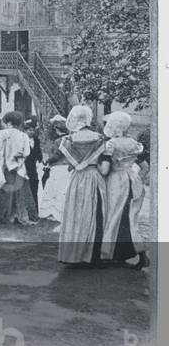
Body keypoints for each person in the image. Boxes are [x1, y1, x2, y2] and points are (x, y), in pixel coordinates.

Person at [57, 104, 107, 266]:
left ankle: (72, 254)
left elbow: (71, 165)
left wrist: (77, 164)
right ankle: (91, 254)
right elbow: (102, 161)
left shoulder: (69, 140)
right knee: (93, 213)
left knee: (75, 213)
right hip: (94, 176)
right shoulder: (99, 138)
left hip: (77, 178)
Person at [100, 111, 149, 269]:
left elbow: (106, 170)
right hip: (132, 179)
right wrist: (135, 177)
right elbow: (145, 167)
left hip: (116, 181)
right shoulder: (133, 143)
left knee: (113, 217)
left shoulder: (111, 144)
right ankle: (140, 255)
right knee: (131, 218)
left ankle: (108, 254)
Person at [0, 111, 37, 225]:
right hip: (19, 168)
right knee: (21, 193)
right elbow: (27, 152)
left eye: (6, 122)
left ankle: (3, 215)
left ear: (10, 122)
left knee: (4, 191)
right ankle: (18, 215)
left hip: (6, 168)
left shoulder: (2, 133)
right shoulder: (24, 135)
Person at [23, 118, 43, 220]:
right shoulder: (22, 140)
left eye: (32, 130)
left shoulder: (36, 139)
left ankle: (35, 212)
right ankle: (25, 213)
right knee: (24, 189)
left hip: (33, 168)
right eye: (29, 130)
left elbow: (38, 151)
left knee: (34, 188)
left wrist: (40, 159)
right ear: (25, 131)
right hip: (23, 167)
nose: (31, 132)